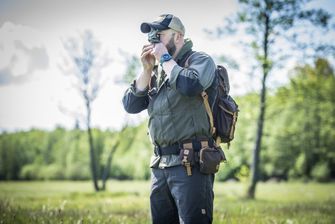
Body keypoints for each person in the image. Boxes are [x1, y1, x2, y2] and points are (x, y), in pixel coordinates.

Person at [122, 14, 217, 224]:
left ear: (178, 36)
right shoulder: (156, 72)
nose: (153, 40)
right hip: (160, 166)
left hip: (190, 164)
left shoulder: (200, 60)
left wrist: (165, 59)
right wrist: (146, 70)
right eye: (151, 36)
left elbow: (190, 85)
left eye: (159, 35)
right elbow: (130, 105)